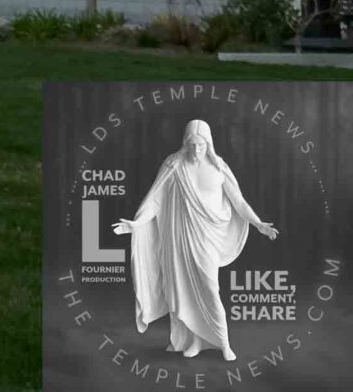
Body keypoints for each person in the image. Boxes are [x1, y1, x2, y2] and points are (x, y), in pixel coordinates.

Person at [114, 118, 278, 363]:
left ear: (208, 144)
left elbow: (239, 202)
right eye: (191, 144)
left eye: (201, 145)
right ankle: (195, 341)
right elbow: (155, 201)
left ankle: (223, 343)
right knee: (185, 290)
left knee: (210, 289)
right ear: (185, 143)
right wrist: (136, 224)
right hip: (180, 239)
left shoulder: (219, 167)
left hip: (208, 239)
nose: (196, 150)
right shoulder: (173, 166)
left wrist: (258, 223)